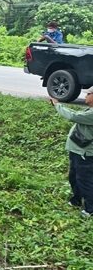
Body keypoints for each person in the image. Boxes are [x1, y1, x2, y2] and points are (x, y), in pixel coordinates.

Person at [51, 87, 93, 218]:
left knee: (85, 180)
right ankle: (76, 200)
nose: (85, 97)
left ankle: (90, 209)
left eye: (88, 94)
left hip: (84, 154)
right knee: (74, 177)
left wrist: (57, 105)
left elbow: (73, 116)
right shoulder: (90, 110)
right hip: (78, 151)